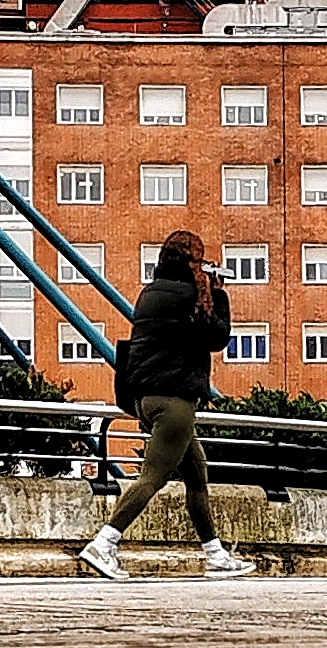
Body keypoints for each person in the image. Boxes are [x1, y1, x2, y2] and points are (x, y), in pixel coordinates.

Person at [79, 228, 255, 581]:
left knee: (196, 474)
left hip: (145, 397)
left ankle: (215, 555)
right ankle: (104, 543)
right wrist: (218, 293)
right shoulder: (190, 297)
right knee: (152, 479)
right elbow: (218, 337)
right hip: (175, 401)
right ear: (194, 263)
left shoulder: (151, 293)